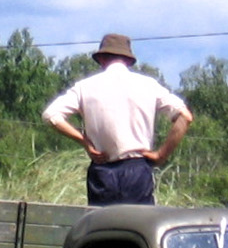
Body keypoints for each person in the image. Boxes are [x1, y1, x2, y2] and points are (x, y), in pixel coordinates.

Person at [42, 33, 193, 206]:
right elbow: (185, 117)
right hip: (137, 170)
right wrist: (161, 155)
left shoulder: (85, 87)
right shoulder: (148, 85)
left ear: (102, 59)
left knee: (103, 228)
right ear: (128, 60)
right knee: (137, 227)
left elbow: (51, 115)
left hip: (102, 170)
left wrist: (85, 143)